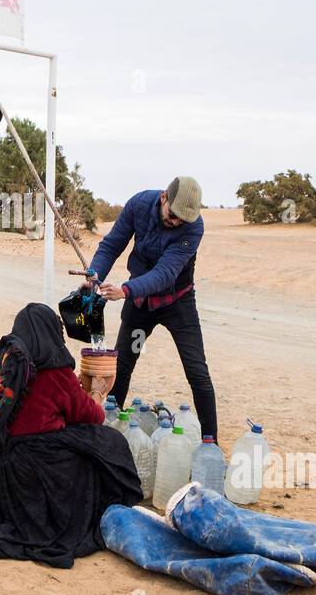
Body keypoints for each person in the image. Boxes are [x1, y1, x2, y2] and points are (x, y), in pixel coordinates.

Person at [0, 303, 142, 568]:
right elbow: (93, 416)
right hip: (41, 466)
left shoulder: (4, 364)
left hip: (2, 466)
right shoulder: (57, 372)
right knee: (108, 443)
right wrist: (97, 392)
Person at [84, 176, 219, 442]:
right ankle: (109, 431)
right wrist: (94, 274)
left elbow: (166, 273)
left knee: (197, 370)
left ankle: (210, 442)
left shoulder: (194, 228)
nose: (176, 222)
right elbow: (112, 245)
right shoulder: (139, 204)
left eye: (183, 219)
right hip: (140, 304)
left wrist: (125, 290)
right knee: (122, 365)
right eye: (173, 215)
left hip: (176, 303)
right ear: (163, 198)